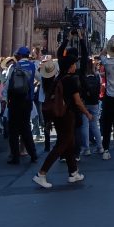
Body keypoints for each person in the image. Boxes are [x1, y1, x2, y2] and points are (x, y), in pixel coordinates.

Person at [32, 54, 94, 188]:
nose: (75, 66)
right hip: (67, 115)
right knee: (62, 145)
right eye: (74, 64)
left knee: (69, 144)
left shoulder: (58, 78)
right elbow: (77, 101)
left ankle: (73, 172)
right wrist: (87, 113)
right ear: (70, 66)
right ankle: (41, 174)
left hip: (58, 115)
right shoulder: (72, 80)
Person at [4, 47, 38, 164]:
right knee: (26, 128)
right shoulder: (33, 66)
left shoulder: (13, 66)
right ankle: (33, 154)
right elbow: (40, 78)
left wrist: (6, 100)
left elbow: (7, 85)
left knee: (13, 130)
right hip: (27, 100)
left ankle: (15, 156)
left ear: (19, 56)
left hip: (14, 101)